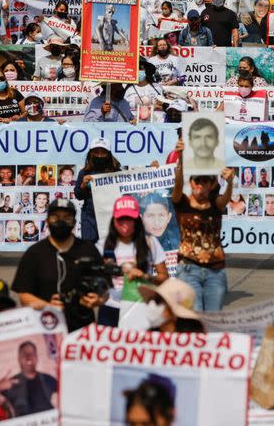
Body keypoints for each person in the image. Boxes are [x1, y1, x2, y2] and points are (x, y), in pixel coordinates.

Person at [11, 198, 111, 331]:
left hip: (82, 330)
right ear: (47, 222)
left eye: (67, 217)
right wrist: (48, 306)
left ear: (74, 223)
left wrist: (98, 299)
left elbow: (105, 288)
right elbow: (23, 295)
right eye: (55, 217)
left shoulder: (88, 249)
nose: (61, 221)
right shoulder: (34, 253)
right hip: (45, 329)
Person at [170, 138, 235, 312]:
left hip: (215, 270)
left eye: (205, 181)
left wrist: (230, 183)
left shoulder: (216, 204)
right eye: (197, 181)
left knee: (213, 319)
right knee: (195, 316)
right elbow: (177, 186)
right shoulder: (181, 202)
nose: (200, 185)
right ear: (190, 183)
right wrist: (181, 158)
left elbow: (226, 199)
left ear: (212, 184)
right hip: (188, 268)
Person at [98, 195, 169, 289]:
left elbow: (164, 277)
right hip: (112, 302)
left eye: (129, 219)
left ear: (137, 220)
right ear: (114, 220)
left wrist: (146, 277)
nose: (125, 225)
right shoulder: (102, 245)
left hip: (143, 301)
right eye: (121, 219)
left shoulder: (150, 242)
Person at [0, 341, 58, 417]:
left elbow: (66, 389)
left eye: (32, 353)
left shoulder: (46, 378)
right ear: (19, 359)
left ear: (36, 358)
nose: (28, 357)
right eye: (24, 354)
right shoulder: (11, 383)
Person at [74, 138, 121, 243]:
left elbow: (127, 190)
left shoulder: (117, 171)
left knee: (109, 250)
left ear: (108, 154)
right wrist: (83, 185)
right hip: (89, 217)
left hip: (110, 217)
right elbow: (78, 195)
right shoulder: (84, 172)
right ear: (91, 153)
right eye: (96, 152)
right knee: (89, 249)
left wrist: (153, 169)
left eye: (103, 152)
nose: (99, 156)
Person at [138, 278, 205, 333]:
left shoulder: (194, 344)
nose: (152, 305)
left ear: (174, 313)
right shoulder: (145, 341)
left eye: (158, 301)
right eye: (152, 299)